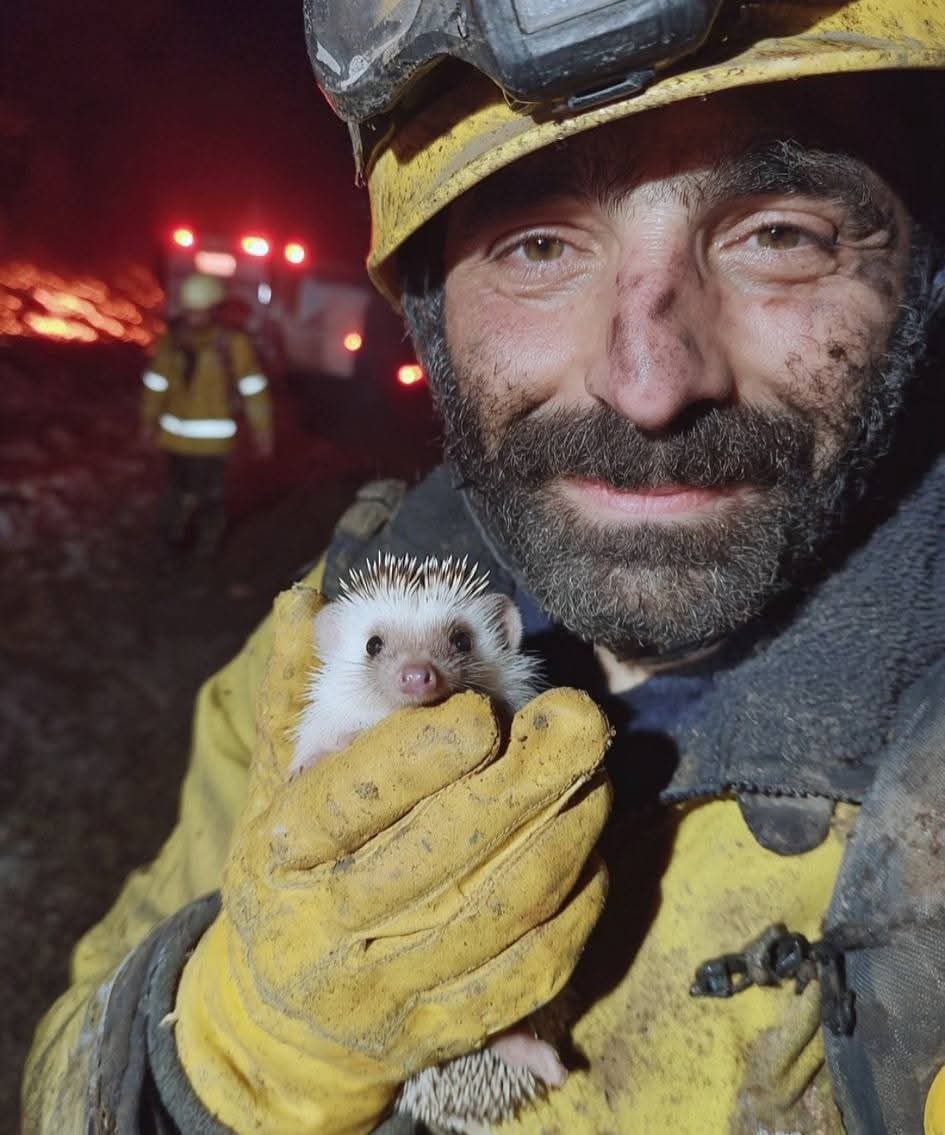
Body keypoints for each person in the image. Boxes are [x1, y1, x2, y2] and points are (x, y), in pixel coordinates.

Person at [22, 3, 945, 1133]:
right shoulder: (321, 622)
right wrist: (218, 1055)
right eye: (540, 246)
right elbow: (62, 1075)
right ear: (429, 315)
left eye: (782, 235)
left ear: (923, 281)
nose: (649, 383)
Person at [139, 271, 274, 558]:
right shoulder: (171, 342)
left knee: (209, 497)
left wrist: (262, 431)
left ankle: (205, 550)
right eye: (190, 311)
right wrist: (148, 421)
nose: (193, 317)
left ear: (214, 309)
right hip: (176, 441)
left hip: (213, 445)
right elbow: (156, 385)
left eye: (199, 312)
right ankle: (171, 547)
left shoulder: (232, 344)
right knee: (178, 493)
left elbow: (253, 390)